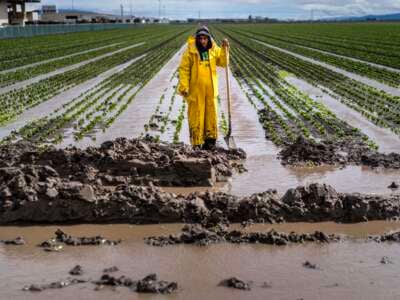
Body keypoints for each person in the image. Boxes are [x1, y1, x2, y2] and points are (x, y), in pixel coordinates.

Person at [178, 26, 229, 150]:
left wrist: (225, 49)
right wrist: (184, 86)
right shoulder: (190, 52)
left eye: (205, 38)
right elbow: (184, 70)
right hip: (195, 92)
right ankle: (196, 142)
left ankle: (210, 141)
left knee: (211, 115)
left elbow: (223, 62)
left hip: (211, 91)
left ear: (208, 38)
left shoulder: (214, 49)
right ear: (196, 39)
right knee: (196, 116)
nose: (202, 41)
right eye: (200, 38)